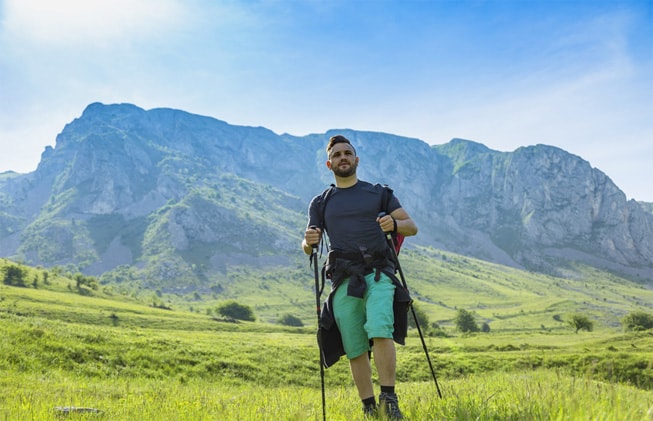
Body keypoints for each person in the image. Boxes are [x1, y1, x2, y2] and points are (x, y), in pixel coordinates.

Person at [302, 135, 418, 419]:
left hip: (379, 272)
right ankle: (368, 408)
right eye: (338, 155)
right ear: (329, 164)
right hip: (343, 278)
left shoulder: (379, 193)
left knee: (380, 328)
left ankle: (389, 400)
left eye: (348, 153)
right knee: (354, 345)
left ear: (357, 160)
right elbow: (308, 246)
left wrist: (394, 223)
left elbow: (411, 227)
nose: (343, 157)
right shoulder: (321, 202)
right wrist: (308, 241)